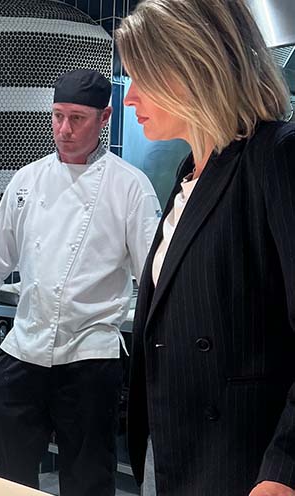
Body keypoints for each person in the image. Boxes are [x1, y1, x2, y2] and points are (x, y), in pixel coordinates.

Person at [0, 69, 161, 495]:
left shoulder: (131, 187)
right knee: (11, 475)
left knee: (87, 480)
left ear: (104, 118)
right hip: (24, 350)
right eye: (58, 116)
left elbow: (154, 275)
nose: (64, 129)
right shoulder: (26, 180)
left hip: (89, 357)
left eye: (77, 118)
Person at [115, 1, 295, 494]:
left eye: (142, 77)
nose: (129, 97)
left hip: (244, 464)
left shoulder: (276, 155)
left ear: (193, 67)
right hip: (175, 450)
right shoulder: (188, 173)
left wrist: (284, 469)